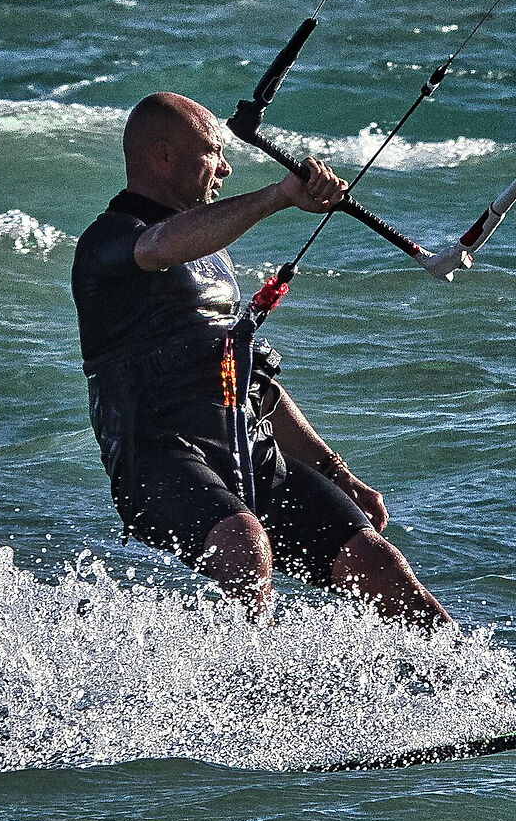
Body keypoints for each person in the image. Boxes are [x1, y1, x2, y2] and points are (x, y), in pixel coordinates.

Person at [72, 90, 448, 626]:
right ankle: (252, 696)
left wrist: (334, 470)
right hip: (157, 457)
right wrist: (279, 195)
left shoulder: (212, 256)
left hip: (247, 451)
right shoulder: (107, 241)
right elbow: (156, 247)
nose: (224, 168)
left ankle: (492, 708)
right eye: (212, 152)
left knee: (375, 561)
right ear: (162, 156)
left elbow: (257, 384)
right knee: (244, 544)